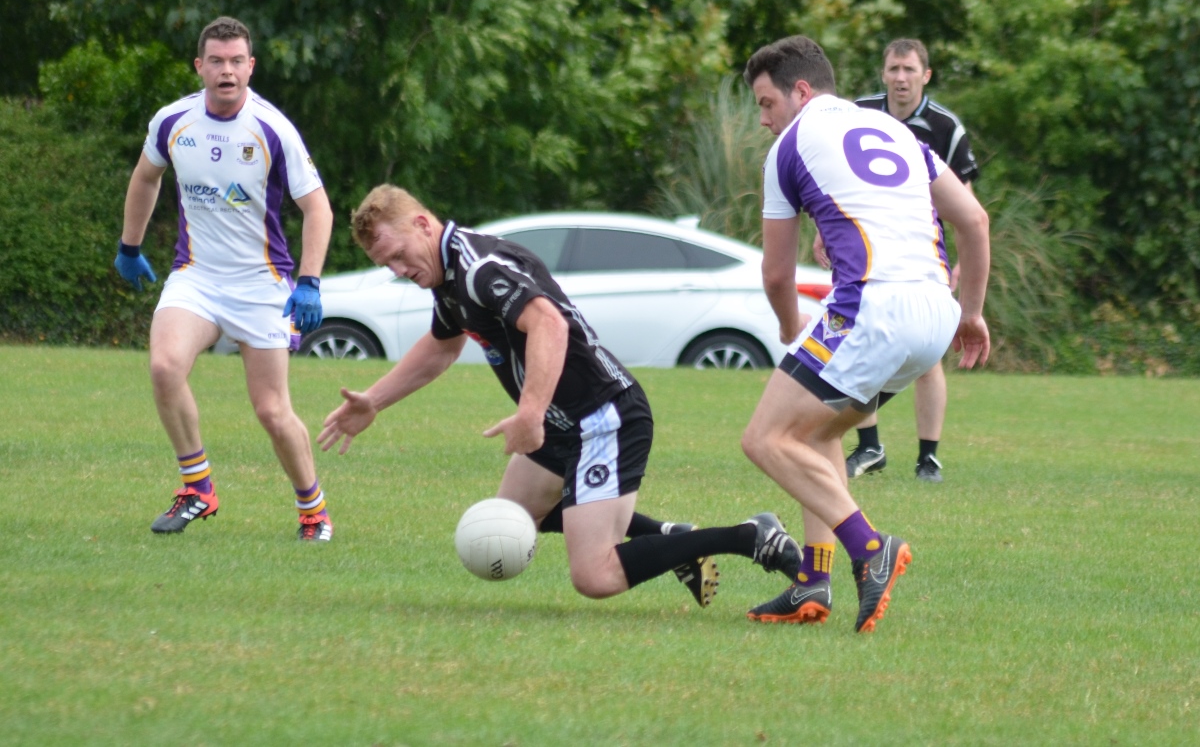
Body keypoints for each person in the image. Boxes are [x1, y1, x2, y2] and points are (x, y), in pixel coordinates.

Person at [318, 185, 804, 608]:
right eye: (388, 265)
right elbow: (442, 348)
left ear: (423, 224)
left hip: (603, 415)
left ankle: (748, 537)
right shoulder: (447, 278)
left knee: (594, 575)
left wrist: (529, 414)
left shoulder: (479, 268)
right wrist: (373, 401)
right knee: (512, 517)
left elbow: (547, 322)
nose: (400, 269)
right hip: (559, 423)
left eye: (399, 255)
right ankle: (669, 538)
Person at [739, 35, 990, 631]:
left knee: (766, 440)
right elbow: (975, 221)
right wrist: (972, 314)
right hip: (935, 313)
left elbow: (776, 273)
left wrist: (788, 328)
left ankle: (871, 548)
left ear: (801, 91)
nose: (765, 119)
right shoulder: (896, 131)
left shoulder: (790, 145)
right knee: (816, 433)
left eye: (767, 103)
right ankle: (812, 583)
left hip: (874, 310)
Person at [113, 16, 337, 541]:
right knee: (165, 366)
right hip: (197, 275)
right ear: (200, 66)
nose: (227, 71)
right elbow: (146, 177)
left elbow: (318, 209)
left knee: (271, 410)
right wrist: (129, 246)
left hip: (262, 284)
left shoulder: (272, 129)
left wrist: (309, 281)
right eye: (216, 60)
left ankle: (314, 510)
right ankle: (198, 488)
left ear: (251, 66)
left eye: (237, 61)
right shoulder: (173, 122)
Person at [815, 38, 980, 483]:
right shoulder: (860, 114)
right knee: (862, 341)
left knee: (926, 354)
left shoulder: (945, 127)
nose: (900, 78)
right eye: (893, 69)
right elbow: (837, 178)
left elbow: (968, 206)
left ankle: (928, 457)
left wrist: (965, 263)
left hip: (924, 254)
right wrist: (821, 231)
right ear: (883, 73)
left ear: (925, 75)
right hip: (862, 247)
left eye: (909, 69)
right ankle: (869, 446)